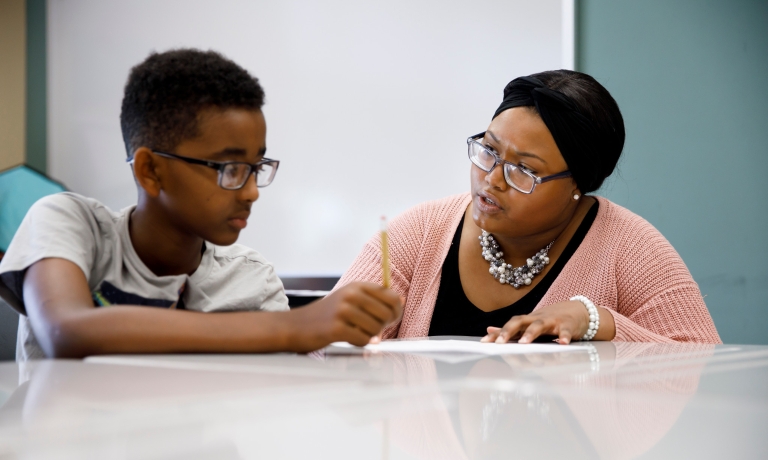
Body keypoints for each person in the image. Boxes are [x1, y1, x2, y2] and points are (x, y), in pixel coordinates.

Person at [0, 49, 401, 360]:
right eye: (228, 168)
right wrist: (295, 327)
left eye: (256, 167)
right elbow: (65, 332)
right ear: (151, 171)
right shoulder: (71, 223)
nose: (251, 192)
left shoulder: (251, 281)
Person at [337, 70, 720, 344]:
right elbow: (324, 355)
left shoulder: (632, 249)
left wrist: (600, 323)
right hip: (423, 458)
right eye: (488, 150)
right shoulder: (418, 233)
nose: (493, 179)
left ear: (576, 184)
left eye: (524, 170)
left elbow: (705, 371)